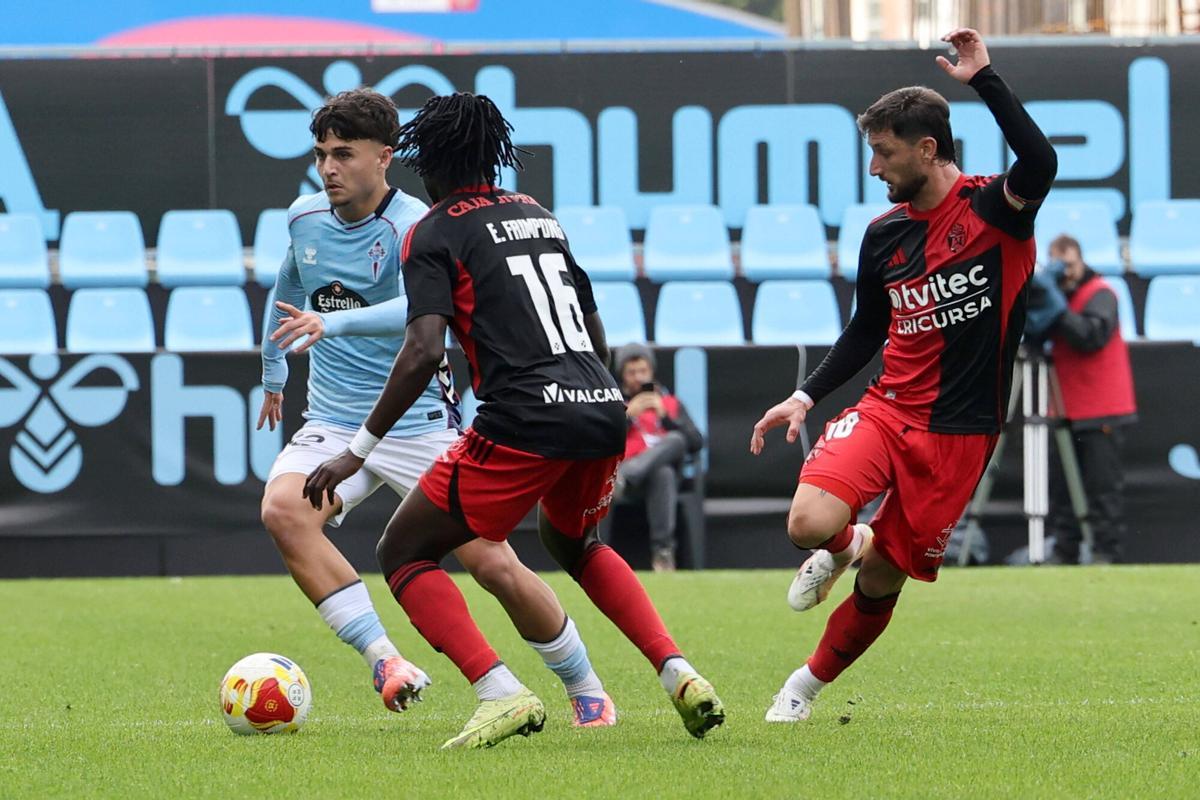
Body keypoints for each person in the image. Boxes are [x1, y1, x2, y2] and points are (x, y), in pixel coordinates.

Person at [303, 91, 724, 750]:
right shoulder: (537, 214)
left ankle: (500, 692)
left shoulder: (434, 229)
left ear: (429, 160)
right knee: (574, 544)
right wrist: (594, 393)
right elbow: (590, 322)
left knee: (405, 551)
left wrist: (357, 450)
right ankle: (680, 673)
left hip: (523, 419)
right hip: (599, 405)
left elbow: (422, 349)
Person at [257, 88, 616, 729]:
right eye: (320, 155)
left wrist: (331, 326)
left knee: (490, 563)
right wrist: (272, 370)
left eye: (344, 154)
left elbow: (421, 318)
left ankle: (585, 686)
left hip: (417, 421)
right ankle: (386, 661)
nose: (328, 168)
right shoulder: (303, 217)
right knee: (284, 510)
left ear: (386, 158)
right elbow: (290, 281)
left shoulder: (415, 224)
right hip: (335, 419)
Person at [749, 28, 1057, 722]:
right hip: (888, 410)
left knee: (885, 578)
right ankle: (845, 541)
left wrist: (984, 79)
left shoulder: (994, 213)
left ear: (926, 149)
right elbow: (866, 328)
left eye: (883, 153)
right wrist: (805, 394)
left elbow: (1040, 159)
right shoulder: (884, 235)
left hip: (960, 433)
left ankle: (802, 687)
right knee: (807, 521)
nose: (873, 169)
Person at [1033, 234, 1137, 564]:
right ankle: (1065, 550)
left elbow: (1090, 337)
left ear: (1082, 261)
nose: (1066, 272)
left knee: (1102, 488)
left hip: (1102, 408)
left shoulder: (1102, 294)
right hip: (1066, 409)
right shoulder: (1058, 297)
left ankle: (1106, 553)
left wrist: (1055, 309)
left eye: (1070, 264)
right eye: (1058, 265)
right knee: (1063, 490)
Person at [611, 343, 704, 572]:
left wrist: (665, 417)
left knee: (675, 443)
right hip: (634, 476)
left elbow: (696, 442)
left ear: (651, 371)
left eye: (643, 371)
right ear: (623, 376)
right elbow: (603, 442)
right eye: (631, 373)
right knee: (663, 471)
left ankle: (625, 478)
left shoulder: (671, 403)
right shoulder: (615, 406)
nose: (638, 378)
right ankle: (663, 552)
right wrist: (629, 416)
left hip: (639, 481)